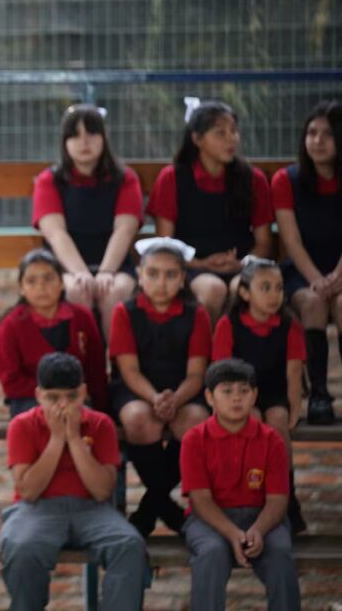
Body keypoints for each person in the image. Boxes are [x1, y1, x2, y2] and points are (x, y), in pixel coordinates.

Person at [0, 352, 148, 611]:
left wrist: (75, 438)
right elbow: (29, 491)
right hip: (37, 509)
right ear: (39, 395)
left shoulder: (101, 424)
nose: (63, 405)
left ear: (83, 393)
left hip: (92, 509)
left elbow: (102, 491)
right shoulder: (22, 425)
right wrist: (57, 439)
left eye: (71, 397)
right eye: (53, 398)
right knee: (21, 547)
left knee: (129, 545)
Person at [109, 238, 211, 536]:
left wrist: (175, 399)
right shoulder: (124, 312)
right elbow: (129, 370)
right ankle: (167, 509)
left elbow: (197, 373)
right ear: (140, 276)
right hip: (137, 388)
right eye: (152, 274)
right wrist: (155, 398)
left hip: (184, 389)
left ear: (182, 279)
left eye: (170, 275)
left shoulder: (197, 315)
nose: (161, 283)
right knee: (138, 419)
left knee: (195, 421)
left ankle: (150, 506)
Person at [180, 358, 299, 611]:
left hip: (262, 517)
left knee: (280, 552)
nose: (236, 398)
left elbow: (278, 500)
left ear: (254, 396)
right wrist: (233, 533)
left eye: (244, 391)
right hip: (209, 519)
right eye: (226, 391)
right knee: (211, 552)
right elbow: (200, 500)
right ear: (209, 397)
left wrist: (258, 530)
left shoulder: (272, 440)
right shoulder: (194, 439)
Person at [146, 98, 274, 319]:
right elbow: (166, 245)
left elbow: (264, 242)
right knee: (213, 290)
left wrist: (241, 264)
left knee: (245, 290)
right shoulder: (172, 178)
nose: (231, 139)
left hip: (242, 266)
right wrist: (202, 264)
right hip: (190, 267)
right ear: (197, 139)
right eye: (220, 133)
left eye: (234, 131)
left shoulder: (253, 179)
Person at [212, 256, 306, 533]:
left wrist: (294, 410)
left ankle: (287, 498)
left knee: (277, 422)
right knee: (249, 421)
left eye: (279, 288)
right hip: (239, 394)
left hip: (274, 391)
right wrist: (229, 405)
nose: (274, 295)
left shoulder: (289, 325)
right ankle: (248, 499)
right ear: (244, 293)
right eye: (265, 288)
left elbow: (293, 373)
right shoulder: (228, 324)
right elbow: (222, 373)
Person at [33, 104, 143, 338]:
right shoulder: (48, 180)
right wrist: (80, 273)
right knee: (76, 291)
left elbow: (124, 230)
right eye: (75, 135)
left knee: (115, 292)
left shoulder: (126, 179)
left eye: (91, 133)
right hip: (65, 266)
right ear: (64, 142)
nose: (84, 142)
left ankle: (115, 359)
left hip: (114, 264)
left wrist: (106, 271)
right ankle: (81, 359)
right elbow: (56, 234)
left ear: (104, 138)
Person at [272, 100, 342, 424]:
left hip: (339, 269)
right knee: (313, 302)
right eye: (311, 133)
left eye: (328, 134)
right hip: (303, 270)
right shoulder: (286, 180)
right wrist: (318, 280)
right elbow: (291, 241)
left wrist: (336, 277)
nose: (317, 141)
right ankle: (319, 395)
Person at [0, 249, 108, 417]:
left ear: (61, 282)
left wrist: (102, 409)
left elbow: (96, 370)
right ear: (22, 288)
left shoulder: (82, 317)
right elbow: (10, 382)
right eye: (31, 281)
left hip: (76, 398)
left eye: (48, 278)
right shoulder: (11, 324)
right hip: (30, 399)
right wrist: (53, 394)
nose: (41, 287)